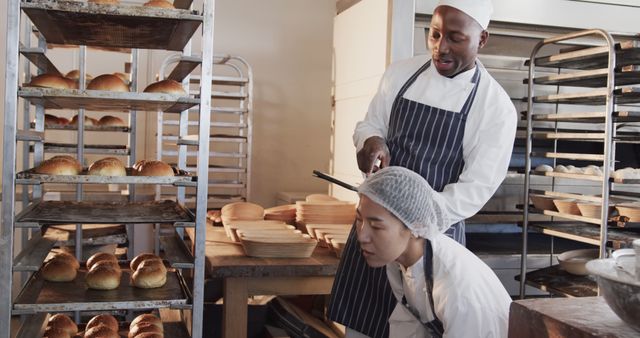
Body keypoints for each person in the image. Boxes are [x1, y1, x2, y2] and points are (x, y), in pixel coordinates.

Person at [328, 0, 518, 337]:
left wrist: (415, 223)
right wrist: (370, 140)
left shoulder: (495, 107)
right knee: (361, 325)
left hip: (431, 241)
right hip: (378, 229)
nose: (440, 48)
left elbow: (477, 187)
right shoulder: (400, 73)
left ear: (482, 39)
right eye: (433, 34)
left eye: (455, 39)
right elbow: (369, 123)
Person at [355, 166, 511, 338]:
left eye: (376, 226)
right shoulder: (399, 262)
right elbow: (409, 325)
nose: (362, 236)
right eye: (359, 220)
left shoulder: (456, 291)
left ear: (416, 226)